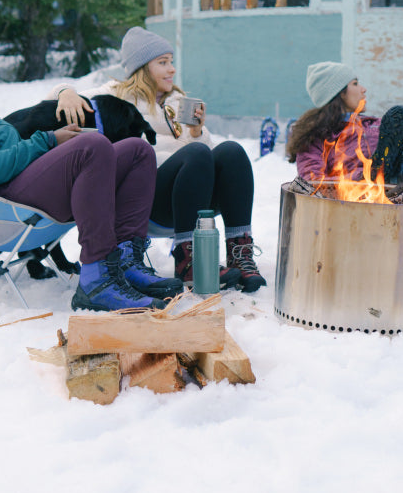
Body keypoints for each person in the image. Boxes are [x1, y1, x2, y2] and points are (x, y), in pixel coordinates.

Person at [0, 4, 181, 312]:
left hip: (18, 185)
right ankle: (97, 281)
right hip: (5, 205)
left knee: (137, 151)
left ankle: (125, 262)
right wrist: (47, 141)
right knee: (92, 145)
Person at [51, 27, 266, 293]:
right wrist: (65, 92)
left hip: (192, 197)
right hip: (149, 200)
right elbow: (54, 98)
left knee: (232, 151)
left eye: (171, 61)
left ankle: (239, 252)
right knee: (196, 154)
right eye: (163, 62)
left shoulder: (179, 102)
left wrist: (196, 132)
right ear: (141, 68)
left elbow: (208, 161)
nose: (172, 69)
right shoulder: (116, 94)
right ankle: (187, 259)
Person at [286, 61, 403, 184]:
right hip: (358, 195)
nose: (363, 89)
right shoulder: (317, 134)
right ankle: (378, 174)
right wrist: (360, 176)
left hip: (396, 185)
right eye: (355, 84)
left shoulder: (375, 124)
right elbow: (313, 182)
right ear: (338, 93)